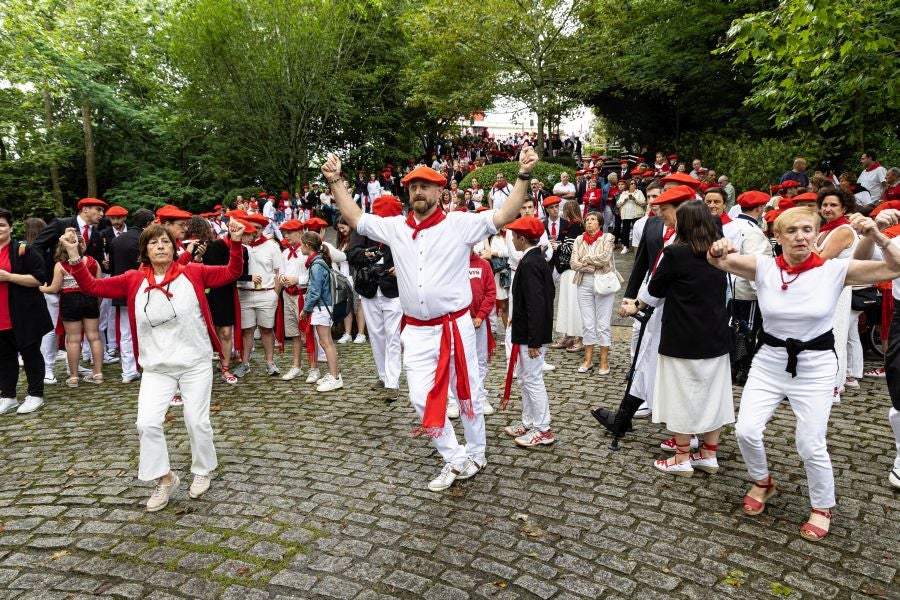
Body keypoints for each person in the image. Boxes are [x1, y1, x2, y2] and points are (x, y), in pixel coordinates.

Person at [320, 144, 537, 492]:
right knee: (421, 398)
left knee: (466, 393)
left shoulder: (459, 225)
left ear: (440, 191)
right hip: (417, 332)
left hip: (456, 325)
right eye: (413, 186)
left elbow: (504, 215)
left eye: (425, 185)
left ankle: (477, 453)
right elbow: (355, 217)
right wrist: (335, 181)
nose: (418, 191)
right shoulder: (395, 228)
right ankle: (455, 457)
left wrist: (523, 174)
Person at [707, 207, 900, 540]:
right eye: (792, 230)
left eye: (807, 230)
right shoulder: (764, 266)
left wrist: (877, 235)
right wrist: (718, 249)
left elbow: (895, 267)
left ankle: (822, 506)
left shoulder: (834, 270)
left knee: (810, 443)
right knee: (746, 431)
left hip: (815, 367)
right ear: (778, 237)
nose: (800, 236)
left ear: (816, 234)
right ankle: (763, 481)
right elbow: (718, 261)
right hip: (769, 361)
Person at [66, 219, 246, 511]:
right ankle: (164, 478)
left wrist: (235, 243)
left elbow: (231, 272)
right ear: (145, 250)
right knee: (146, 423)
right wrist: (75, 256)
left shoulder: (194, 272)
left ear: (174, 248)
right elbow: (92, 285)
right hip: (156, 367)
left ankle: (202, 470)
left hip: (194, 361)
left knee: (196, 420)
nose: (160, 246)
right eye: (153, 242)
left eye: (165, 242)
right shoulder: (133, 280)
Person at [625, 201, 733, 476]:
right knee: (713, 393)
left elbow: (654, 290)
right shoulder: (720, 252)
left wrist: (634, 305)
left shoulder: (676, 253)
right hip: (716, 334)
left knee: (681, 393)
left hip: (682, 334)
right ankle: (708, 453)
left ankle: (682, 456)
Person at [502, 216, 555, 447]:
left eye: (513, 236)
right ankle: (530, 420)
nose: (511, 239)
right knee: (525, 379)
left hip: (532, 335)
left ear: (522, 238)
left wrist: (534, 339)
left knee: (532, 379)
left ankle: (543, 429)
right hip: (525, 329)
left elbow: (537, 302)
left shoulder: (532, 262)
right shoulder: (533, 259)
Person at [348, 195, 402, 401]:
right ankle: (383, 375)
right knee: (377, 335)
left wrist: (402, 267)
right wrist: (366, 255)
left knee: (393, 336)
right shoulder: (363, 227)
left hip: (393, 289)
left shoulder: (401, 228)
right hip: (369, 287)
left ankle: (392, 382)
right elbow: (352, 255)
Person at [0, 208, 53, 415]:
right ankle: (8, 396)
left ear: (11, 228)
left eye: (2, 224)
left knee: (30, 354)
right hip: (1, 316)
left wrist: (9, 277)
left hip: (24, 314)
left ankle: (35, 394)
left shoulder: (24, 249)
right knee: (4, 357)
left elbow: (40, 278)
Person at [40, 231, 104, 386]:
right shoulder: (92, 262)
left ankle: (74, 377)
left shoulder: (60, 265)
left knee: (73, 340)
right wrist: (97, 303)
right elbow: (100, 286)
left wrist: (42, 288)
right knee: (94, 337)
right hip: (89, 299)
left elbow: (55, 288)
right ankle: (98, 374)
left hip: (70, 301)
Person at [814, 187, 858, 395]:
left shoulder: (843, 230)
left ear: (844, 208)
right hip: (822, 288)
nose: (828, 209)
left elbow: (820, 259)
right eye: (824, 205)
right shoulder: (825, 229)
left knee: (834, 335)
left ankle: (831, 384)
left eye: (833, 205)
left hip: (837, 288)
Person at [108, 209, 155, 383]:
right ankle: (146, 366)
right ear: (148, 224)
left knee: (126, 332)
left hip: (122, 289)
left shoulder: (117, 240)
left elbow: (111, 267)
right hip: (141, 289)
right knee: (147, 330)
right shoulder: (145, 241)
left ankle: (128, 371)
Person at [232, 219, 283, 378]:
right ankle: (245, 363)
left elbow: (279, 271)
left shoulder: (271, 246)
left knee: (267, 329)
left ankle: (269, 362)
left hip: (266, 293)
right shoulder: (239, 245)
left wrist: (275, 293)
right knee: (246, 330)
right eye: (252, 228)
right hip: (244, 292)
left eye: (259, 228)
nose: (255, 232)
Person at [570, 213, 616, 375]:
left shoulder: (608, 238)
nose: (589, 222)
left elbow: (605, 258)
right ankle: (588, 359)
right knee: (588, 324)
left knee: (602, 324)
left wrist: (587, 259)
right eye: (587, 220)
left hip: (603, 282)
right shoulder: (578, 239)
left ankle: (604, 361)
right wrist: (589, 267)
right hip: (584, 282)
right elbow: (573, 263)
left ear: (600, 223)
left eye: (593, 219)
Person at [300, 231, 343, 392]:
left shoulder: (316, 265)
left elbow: (315, 291)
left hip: (321, 308)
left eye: (302, 244)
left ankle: (335, 377)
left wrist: (305, 309)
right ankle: (334, 374)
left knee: (326, 343)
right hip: (323, 307)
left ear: (308, 246)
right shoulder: (318, 262)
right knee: (327, 342)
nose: (300, 247)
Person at [550, 202, 584, 350]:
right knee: (566, 304)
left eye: (564, 210)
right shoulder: (572, 225)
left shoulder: (576, 225)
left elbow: (572, 248)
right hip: (565, 269)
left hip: (571, 269)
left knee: (574, 304)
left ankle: (579, 337)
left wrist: (557, 246)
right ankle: (568, 334)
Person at [334, 218, 366, 345]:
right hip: (343, 276)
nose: (342, 231)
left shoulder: (356, 240)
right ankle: (347, 333)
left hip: (355, 275)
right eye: (339, 229)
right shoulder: (342, 242)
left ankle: (361, 333)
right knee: (346, 306)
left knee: (358, 305)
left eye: (343, 227)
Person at [617, 179, 646, 253]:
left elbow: (643, 203)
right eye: (631, 183)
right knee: (625, 231)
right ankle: (625, 247)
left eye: (634, 183)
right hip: (626, 215)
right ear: (628, 185)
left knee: (638, 230)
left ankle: (640, 246)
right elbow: (618, 204)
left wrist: (634, 199)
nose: (633, 184)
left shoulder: (639, 192)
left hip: (636, 215)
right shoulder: (624, 193)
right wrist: (625, 200)